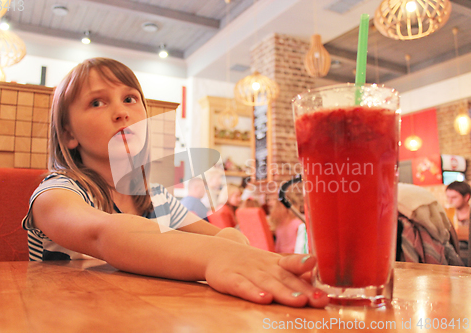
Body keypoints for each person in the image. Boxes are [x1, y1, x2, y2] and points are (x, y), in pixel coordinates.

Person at [21, 58, 328, 308]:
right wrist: (214, 256)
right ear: (69, 134)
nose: (121, 113)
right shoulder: (56, 193)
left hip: (134, 314)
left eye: (130, 98)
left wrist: (237, 248)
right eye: (97, 103)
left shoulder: (153, 199)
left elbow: (223, 237)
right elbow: (105, 234)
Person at [445, 181, 471, 265]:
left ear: (467, 197)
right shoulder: (447, 215)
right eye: (448, 197)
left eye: (454, 197)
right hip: (453, 251)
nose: (450, 201)